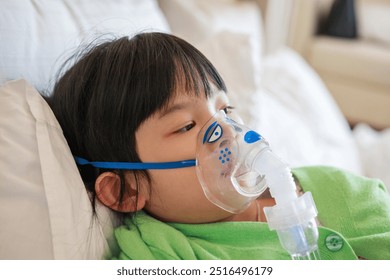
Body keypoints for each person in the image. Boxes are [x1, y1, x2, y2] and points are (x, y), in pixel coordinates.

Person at [48, 32, 390, 260]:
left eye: (225, 110)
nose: (226, 132)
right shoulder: (162, 252)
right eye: (186, 125)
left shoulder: (341, 189)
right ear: (125, 191)